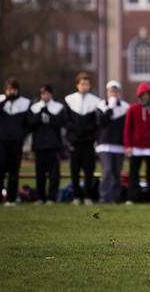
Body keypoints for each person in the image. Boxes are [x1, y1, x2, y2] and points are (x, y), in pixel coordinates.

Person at [0, 77, 30, 206]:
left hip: (16, 143)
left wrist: (20, 135)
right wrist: (6, 100)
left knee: (13, 172)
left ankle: (11, 199)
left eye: (14, 89)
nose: (12, 92)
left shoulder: (25, 103)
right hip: (0, 142)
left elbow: (28, 123)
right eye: (9, 89)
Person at [64, 72, 101, 206]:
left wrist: (86, 130)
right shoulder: (69, 100)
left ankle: (88, 196)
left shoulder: (95, 101)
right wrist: (75, 130)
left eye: (87, 84)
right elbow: (66, 121)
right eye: (82, 84)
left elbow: (96, 123)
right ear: (77, 85)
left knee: (89, 170)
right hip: (74, 141)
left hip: (88, 141)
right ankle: (76, 196)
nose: (84, 87)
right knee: (74, 170)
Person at [124, 82, 150, 203]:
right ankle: (132, 198)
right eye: (143, 94)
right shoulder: (132, 109)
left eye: (147, 94)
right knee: (134, 174)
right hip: (136, 147)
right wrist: (128, 145)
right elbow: (127, 129)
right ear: (139, 96)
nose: (145, 97)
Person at [28, 84, 64, 204]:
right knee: (40, 174)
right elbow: (30, 125)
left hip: (53, 146)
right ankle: (40, 197)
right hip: (39, 145)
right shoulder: (35, 108)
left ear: (51, 94)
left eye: (47, 94)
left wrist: (49, 114)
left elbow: (60, 123)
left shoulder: (58, 107)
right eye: (43, 94)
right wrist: (39, 115)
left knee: (54, 174)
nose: (45, 96)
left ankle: (52, 197)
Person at [96, 80, 129, 204]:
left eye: (116, 91)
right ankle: (104, 197)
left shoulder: (125, 107)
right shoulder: (101, 106)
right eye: (111, 91)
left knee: (117, 173)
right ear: (107, 92)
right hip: (104, 145)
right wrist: (110, 108)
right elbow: (101, 122)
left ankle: (114, 198)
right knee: (107, 170)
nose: (113, 93)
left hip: (119, 145)